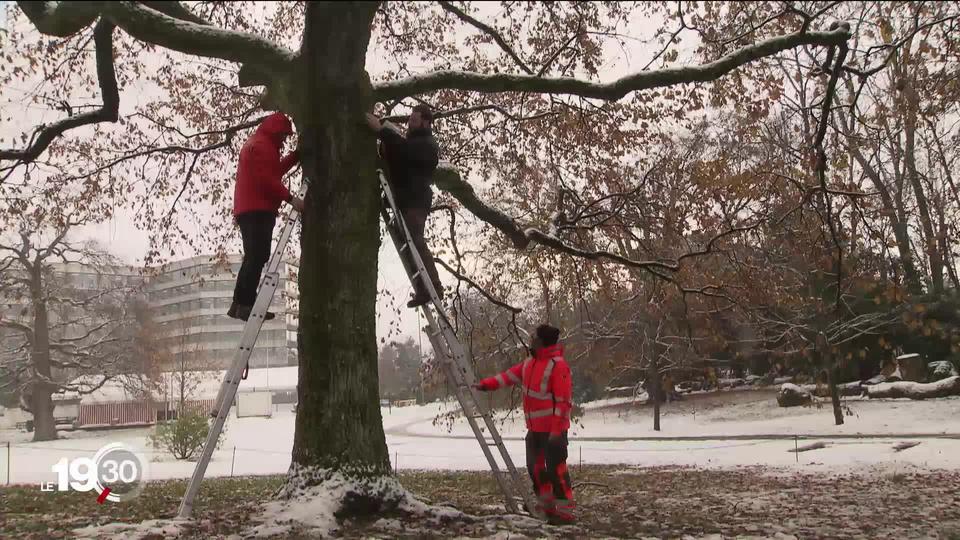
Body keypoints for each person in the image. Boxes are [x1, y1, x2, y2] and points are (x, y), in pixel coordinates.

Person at [474, 324, 576, 524]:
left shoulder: (558, 366)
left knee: (557, 469)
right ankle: (546, 505)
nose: (530, 338)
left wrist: (556, 432)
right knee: (534, 468)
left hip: (553, 431)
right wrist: (485, 385)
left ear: (541, 340)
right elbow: (508, 376)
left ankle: (565, 511)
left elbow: (563, 402)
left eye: (534, 336)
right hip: (534, 430)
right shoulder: (529, 363)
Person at [229, 112, 305, 322]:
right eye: (283, 134)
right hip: (257, 209)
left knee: (255, 255)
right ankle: (245, 304)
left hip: (251, 208)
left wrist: (295, 156)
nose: (284, 139)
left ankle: (240, 303)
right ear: (276, 130)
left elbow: (273, 172)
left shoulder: (260, 144)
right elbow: (267, 181)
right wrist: (291, 199)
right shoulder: (262, 146)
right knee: (256, 255)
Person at [365, 104, 442, 308]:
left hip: (416, 201)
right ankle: (422, 288)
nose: (410, 124)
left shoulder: (427, 144)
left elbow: (407, 152)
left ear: (425, 122)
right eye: (410, 120)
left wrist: (384, 132)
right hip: (407, 199)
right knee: (408, 245)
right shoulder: (413, 142)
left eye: (414, 121)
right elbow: (399, 158)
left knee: (415, 241)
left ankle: (434, 286)